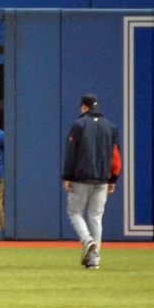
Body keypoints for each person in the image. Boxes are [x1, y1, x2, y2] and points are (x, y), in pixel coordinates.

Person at [63, 94, 121, 270]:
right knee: (96, 217)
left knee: (75, 212)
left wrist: (67, 176)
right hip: (102, 178)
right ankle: (94, 261)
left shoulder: (78, 124)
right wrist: (113, 178)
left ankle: (87, 240)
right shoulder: (110, 126)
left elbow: (71, 153)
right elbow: (116, 156)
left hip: (82, 177)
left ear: (83, 107)